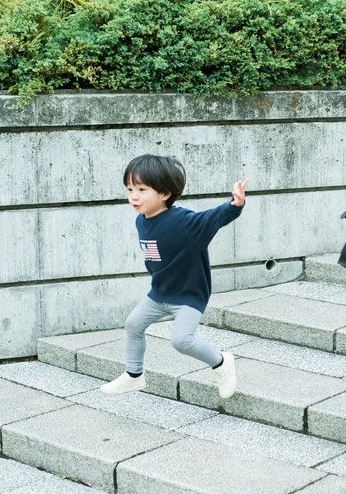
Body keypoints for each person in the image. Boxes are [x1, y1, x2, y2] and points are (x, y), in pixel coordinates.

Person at [100, 154, 248, 399]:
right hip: (159, 293)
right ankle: (134, 376)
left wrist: (235, 204)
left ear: (165, 194)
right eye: (130, 189)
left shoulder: (184, 222)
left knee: (182, 341)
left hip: (188, 296)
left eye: (142, 189)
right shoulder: (141, 221)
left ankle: (221, 362)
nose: (133, 196)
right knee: (133, 324)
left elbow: (213, 217)